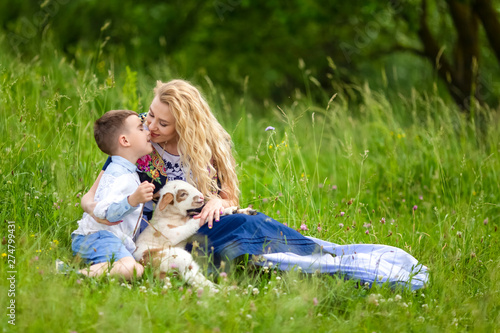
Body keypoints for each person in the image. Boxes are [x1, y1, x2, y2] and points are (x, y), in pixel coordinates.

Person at [82, 80, 428, 290]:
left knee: (245, 223)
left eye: (163, 123)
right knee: (236, 245)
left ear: (185, 125)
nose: (152, 126)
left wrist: (221, 202)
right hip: (164, 240)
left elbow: (228, 195)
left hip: (207, 222)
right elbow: (98, 193)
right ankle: (316, 260)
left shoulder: (204, 148)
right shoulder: (140, 147)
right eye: (149, 115)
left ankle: (327, 255)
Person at [72, 110, 155, 280]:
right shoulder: (120, 176)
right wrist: (133, 200)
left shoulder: (122, 170)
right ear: (125, 140)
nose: (148, 131)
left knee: (135, 265)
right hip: (98, 237)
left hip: (102, 238)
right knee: (133, 270)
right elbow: (104, 211)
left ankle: (95, 268)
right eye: (141, 128)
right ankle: (72, 275)